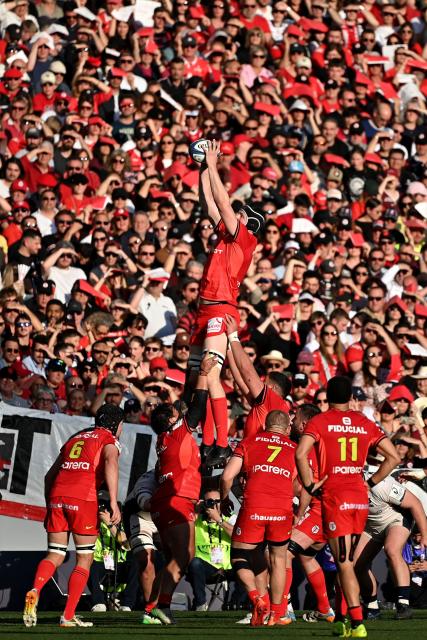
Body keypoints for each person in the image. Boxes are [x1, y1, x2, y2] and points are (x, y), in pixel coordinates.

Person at [296, 376, 400, 639]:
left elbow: (300, 454)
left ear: (328, 396)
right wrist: (371, 482)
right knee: (349, 562)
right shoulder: (364, 422)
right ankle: (342, 620)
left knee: (343, 563)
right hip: (359, 498)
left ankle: (356, 623)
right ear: (350, 397)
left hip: (336, 498)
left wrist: (309, 486)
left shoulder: (319, 421)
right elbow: (394, 457)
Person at [191, 139, 264, 467]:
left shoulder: (244, 239)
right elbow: (208, 203)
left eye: (243, 214)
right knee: (202, 375)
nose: (237, 214)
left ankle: (215, 440)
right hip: (205, 308)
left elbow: (221, 201)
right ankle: (211, 442)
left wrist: (215, 163)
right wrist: (204, 169)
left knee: (210, 370)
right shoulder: (225, 235)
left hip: (221, 307)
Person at [23, 404, 124, 628]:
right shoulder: (107, 439)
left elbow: (50, 476)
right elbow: (110, 462)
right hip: (83, 497)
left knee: (55, 554)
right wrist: (114, 502)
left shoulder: (75, 438)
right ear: (117, 424)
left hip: (58, 496)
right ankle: (67, 616)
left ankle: (35, 590)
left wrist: (51, 506)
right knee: (84, 558)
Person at [149, 353, 217, 623]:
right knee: (185, 556)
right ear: (171, 421)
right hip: (177, 499)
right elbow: (198, 407)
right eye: (176, 413)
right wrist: (202, 374)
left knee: (172, 560)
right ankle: (161, 606)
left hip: (166, 500)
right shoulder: (177, 432)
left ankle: (153, 609)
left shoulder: (164, 439)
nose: (181, 411)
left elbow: (188, 406)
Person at [220, 410, 296, 627]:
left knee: (238, 554)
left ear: (265, 425)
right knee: (278, 560)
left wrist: (225, 499)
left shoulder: (249, 441)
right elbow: (299, 483)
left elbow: (226, 476)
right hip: (282, 508)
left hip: (254, 505)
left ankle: (257, 598)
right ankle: (276, 614)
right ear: (287, 429)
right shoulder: (294, 448)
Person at [282, 403, 335, 625]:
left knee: (282, 553)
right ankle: (325, 609)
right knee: (307, 556)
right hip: (329, 510)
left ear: (304, 424)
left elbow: (306, 486)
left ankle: (282, 608)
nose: (292, 423)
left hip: (318, 511)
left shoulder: (310, 447)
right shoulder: (324, 445)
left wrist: (298, 515)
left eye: (295, 419)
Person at [354, 473, 427, 620]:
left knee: (392, 549)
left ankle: (403, 604)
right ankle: (372, 606)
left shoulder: (381, 485)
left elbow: (415, 503)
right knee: (356, 564)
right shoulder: (341, 491)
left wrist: (425, 535)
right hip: (370, 527)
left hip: (395, 519)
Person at [225, 313, 291, 440]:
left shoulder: (272, 399)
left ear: (272, 388)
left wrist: (233, 337)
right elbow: (240, 379)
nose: (260, 383)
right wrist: (229, 347)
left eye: (264, 382)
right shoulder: (268, 405)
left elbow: (248, 373)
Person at [122, 469, 168, 625]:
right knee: (146, 561)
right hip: (140, 516)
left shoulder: (186, 474)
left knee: (177, 560)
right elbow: (147, 504)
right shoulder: (147, 481)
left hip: (164, 516)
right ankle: (151, 610)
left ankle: (160, 603)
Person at [187, 488, 236, 611]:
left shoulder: (229, 518)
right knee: (195, 563)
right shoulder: (196, 520)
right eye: (210, 501)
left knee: (247, 565)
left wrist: (219, 520)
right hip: (206, 567)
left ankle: (237, 605)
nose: (214, 504)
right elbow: (183, 533)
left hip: (229, 566)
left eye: (217, 501)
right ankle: (200, 603)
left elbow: (239, 537)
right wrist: (196, 512)